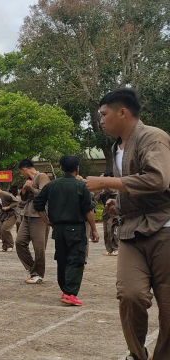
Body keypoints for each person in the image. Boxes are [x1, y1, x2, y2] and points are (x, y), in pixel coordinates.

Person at [83, 89, 170, 360]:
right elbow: (135, 189)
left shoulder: (153, 137)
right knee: (130, 295)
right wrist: (118, 203)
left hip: (165, 229)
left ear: (122, 112)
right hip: (132, 231)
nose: (100, 120)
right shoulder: (117, 147)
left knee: (168, 306)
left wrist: (105, 182)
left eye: (103, 114)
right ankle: (137, 354)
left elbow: (158, 180)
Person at [32, 155, 98, 307]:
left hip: (58, 229)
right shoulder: (80, 186)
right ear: (77, 169)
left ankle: (65, 289)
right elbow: (88, 210)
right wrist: (94, 229)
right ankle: (69, 293)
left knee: (62, 259)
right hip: (76, 228)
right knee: (76, 259)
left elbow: (38, 204)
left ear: (61, 168)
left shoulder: (52, 185)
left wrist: (46, 220)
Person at [15, 159, 51, 284]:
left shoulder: (42, 177)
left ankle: (38, 274)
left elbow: (44, 194)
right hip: (27, 214)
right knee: (19, 242)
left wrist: (30, 188)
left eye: (21, 172)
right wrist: (25, 190)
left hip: (39, 215)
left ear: (24, 169)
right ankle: (33, 269)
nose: (21, 175)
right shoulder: (28, 180)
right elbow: (23, 199)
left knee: (39, 247)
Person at [94, 173, 119, 256]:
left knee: (112, 229)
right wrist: (101, 191)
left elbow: (112, 191)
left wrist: (104, 183)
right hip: (105, 211)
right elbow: (96, 198)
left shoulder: (115, 185)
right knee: (106, 231)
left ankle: (116, 248)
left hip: (114, 210)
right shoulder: (102, 188)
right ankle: (109, 249)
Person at [0, 183, 18, 252]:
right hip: (3, 215)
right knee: (2, 230)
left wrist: (8, 207)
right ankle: (4, 247)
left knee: (5, 229)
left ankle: (10, 245)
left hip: (11, 214)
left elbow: (16, 202)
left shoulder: (4, 194)